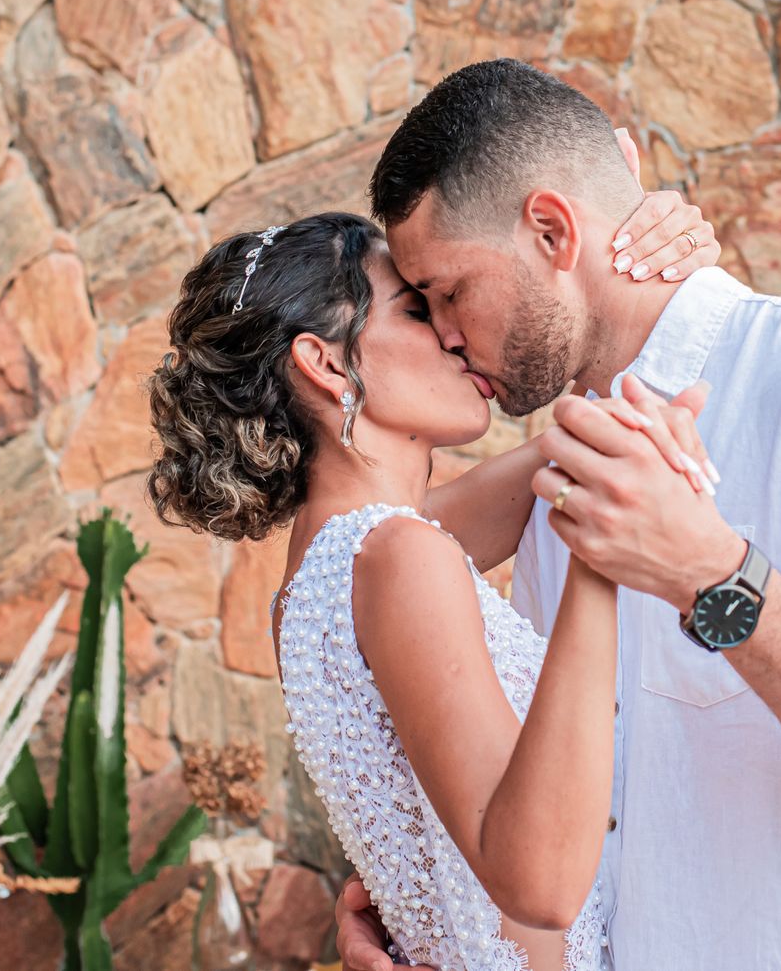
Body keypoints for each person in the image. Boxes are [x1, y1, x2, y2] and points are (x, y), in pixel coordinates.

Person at [330, 58, 781, 971]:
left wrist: (713, 576)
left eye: (451, 292)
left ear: (550, 229)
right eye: (419, 307)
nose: (445, 334)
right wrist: (421, 904)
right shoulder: (557, 477)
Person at [146, 187, 723, 970]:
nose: (455, 335)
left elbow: (594, 438)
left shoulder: (326, 575)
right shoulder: (397, 557)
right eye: (418, 312)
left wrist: (633, 245)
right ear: (325, 364)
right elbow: (541, 884)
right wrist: (601, 560)